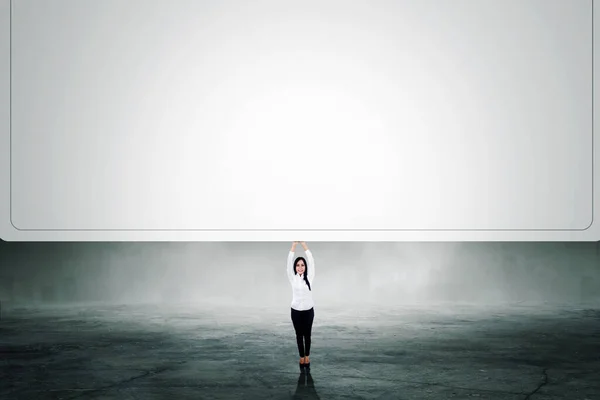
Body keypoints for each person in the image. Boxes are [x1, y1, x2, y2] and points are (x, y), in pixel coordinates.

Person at [287, 241, 315, 371]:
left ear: (305, 267)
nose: (300, 267)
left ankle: (307, 356)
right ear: (295, 267)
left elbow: (312, 261)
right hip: (296, 311)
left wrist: (304, 246)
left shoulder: (310, 277)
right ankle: (301, 357)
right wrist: (293, 247)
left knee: (307, 335)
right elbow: (288, 264)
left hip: (308, 311)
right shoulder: (292, 278)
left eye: (302, 265)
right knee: (299, 335)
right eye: (298, 265)